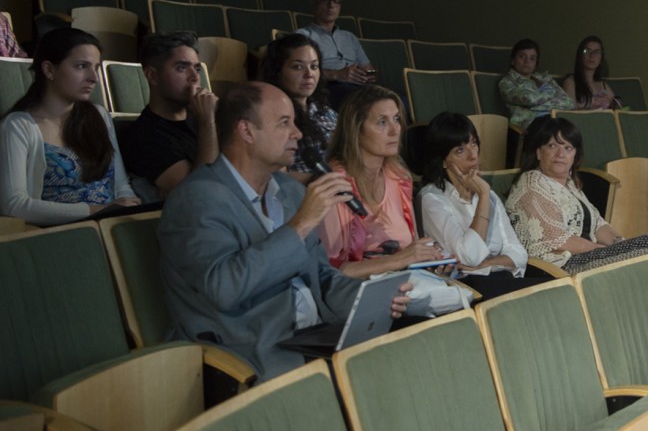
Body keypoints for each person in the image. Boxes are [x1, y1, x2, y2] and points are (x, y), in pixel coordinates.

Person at [158, 82, 410, 381]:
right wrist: (300, 225)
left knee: (409, 358)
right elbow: (223, 287)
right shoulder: (196, 199)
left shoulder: (290, 192)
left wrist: (367, 298)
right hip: (249, 350)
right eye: (284, 123)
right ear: (247, 131)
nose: (298, 134)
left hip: (312, 336)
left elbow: (321, 277)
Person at [0, 27, 140, 226]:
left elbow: (120, 184)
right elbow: (14, 205)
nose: (94, 78)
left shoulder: (99, 115)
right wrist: (96, 211)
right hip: (59, 234)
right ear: (49, 69)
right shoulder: (17, 126)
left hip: (111, 226)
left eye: (96, 68)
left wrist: (129, 207)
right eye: (82, 66)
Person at [505, 116, 648, 274]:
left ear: (575, 156)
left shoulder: (569, 184)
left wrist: (621, 244)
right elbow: (558, 240)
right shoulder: (532, 184)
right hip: (560, 267)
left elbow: (598, 225)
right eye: (552, 146)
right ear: (539, 153)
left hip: (586, 256)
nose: (560, 154)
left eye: (568, 148)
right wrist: (609, 252)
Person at [317, 84, 446, 277]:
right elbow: (330, 273)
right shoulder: (334, 185)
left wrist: (430, 260)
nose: (395, 130)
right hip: (359, 292)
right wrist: (398, 260)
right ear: (356, 129)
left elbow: (412, 248)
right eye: (381, 122)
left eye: (396, 119)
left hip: (406, 281)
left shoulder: (399, 177)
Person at [419, 112, 540, 299]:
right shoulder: (432, 199)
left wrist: (485, 265)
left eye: (474, 143)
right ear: (443, 160)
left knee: (559, 290)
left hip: (500, 279)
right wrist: (482, 197)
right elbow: (469, 256)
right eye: (460, 150)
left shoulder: (488, 193)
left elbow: (518, 253)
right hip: (469, 288)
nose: (473, 156)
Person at [122, 31, 218, 199]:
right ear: (152, 75)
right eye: (181, 68)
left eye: (197, 68)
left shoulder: (202, 115)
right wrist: (208, 122)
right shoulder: (144, 136)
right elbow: (199, 194)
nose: (195, 77)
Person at [259, 33, 337, 183]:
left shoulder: (327, 113)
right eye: (298, 67)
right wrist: (324, 181)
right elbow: (275, 177)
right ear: (277, 71)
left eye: (314, 66)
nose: (309, 74)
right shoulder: (271, 117)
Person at [295, 0, 376, 109]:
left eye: (336, 1)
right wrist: (337, 74)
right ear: (313, 2)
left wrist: (368, 76)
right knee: (365, 101)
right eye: (325, 0)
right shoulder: (303, 35)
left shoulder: (349, 37)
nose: (331, 5)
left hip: (359, 86)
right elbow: (299, 72)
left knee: (399, 99)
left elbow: (368, 68)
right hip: (328, 87)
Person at [497, 38, 573, 129]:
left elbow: (569, 103)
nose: (527, 61)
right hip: (528, 125)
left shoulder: (545, 78)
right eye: (522, 56)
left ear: (536, 63)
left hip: (553, 121)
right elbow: (530, 99)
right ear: (513, 60)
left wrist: (534, 107)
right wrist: (551, 94)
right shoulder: (507, 82)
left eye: (532, 58)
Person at [562, 35, 619, 110]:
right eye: (587, 51)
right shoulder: (571, 82)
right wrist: (593, 109)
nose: (592, 55)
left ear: (601, 58)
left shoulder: (603, 85)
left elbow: (617, 108)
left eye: (597, 52)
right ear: (580, 55)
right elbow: (570, 113)